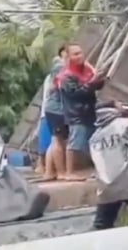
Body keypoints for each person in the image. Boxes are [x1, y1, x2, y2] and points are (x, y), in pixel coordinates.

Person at [57, 42, 106, 181]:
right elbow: (75, 93)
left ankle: (98, 169)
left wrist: (98, 80)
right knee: (75, 143)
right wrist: (92, 83)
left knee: (94, 142)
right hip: (76, 114)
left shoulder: (86, 70)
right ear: (69, 57)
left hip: (90, 111)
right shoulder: (66, 75)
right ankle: (69, 172)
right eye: (75, 54)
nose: (80, 56)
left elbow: (97, 86)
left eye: (81, 53)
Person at [41, 46, 69, 180]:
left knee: (56, 140)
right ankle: (61, 172)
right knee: (57, 139)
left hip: (53, 108)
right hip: (57, 108)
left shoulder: (59, 67)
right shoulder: (60, 66)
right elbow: (61, 87)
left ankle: (50, 171)